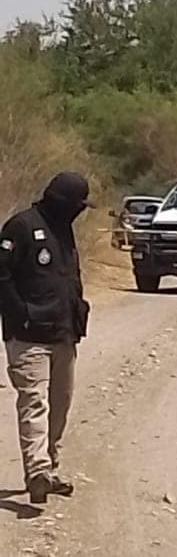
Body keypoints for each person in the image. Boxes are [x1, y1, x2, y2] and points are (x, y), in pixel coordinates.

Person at [0, 172, 93, 504]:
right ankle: (37, 471)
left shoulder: (63, 229)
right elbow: (2, 275)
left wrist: (77, 310)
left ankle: (49, 467)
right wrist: (20, 314)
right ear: (62, 201)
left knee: (60, 404)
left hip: (63, 333)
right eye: (78, 205)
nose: (80, 211)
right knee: (33, 401)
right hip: (28, 336)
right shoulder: (21, 227)